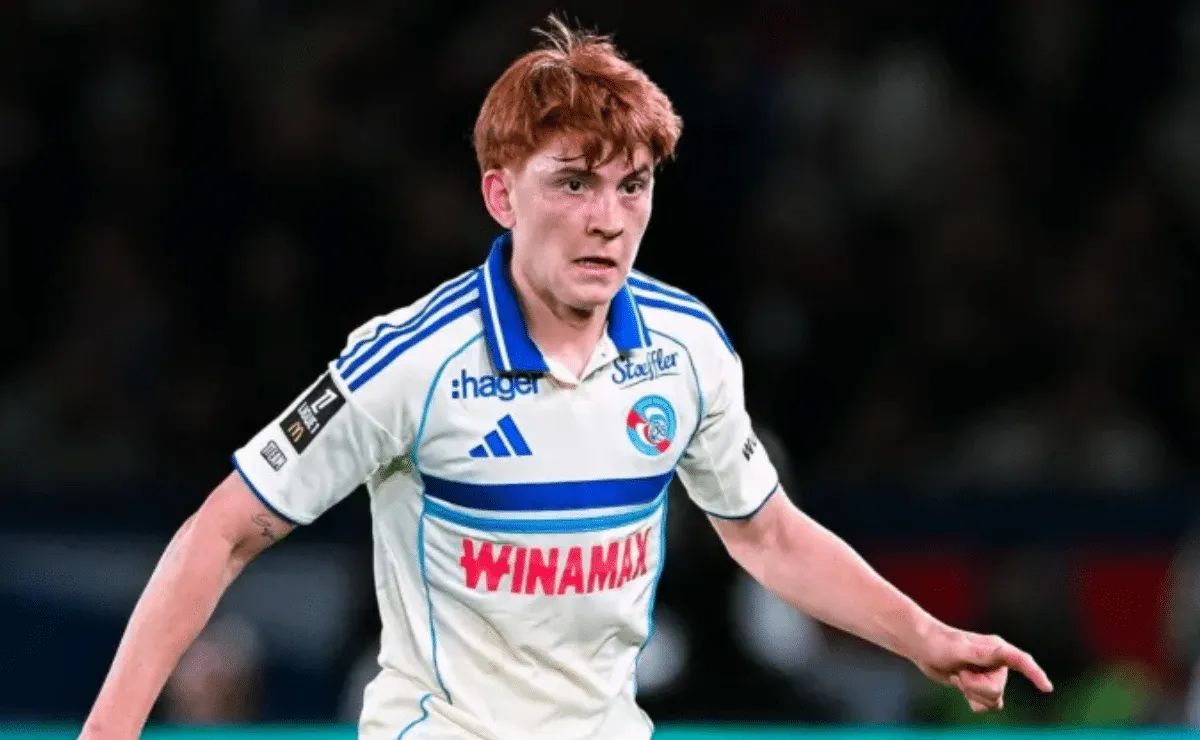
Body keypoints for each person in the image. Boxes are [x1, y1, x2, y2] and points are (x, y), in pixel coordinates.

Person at [79, 16, 1053, 740]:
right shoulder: (411, 359)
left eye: (633, 185)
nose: (608, 219)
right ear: (500, 193)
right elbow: (220, 532)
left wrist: (924, 636)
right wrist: (110, 731)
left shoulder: (686, 349)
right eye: (574, 182)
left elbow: (768, 535)